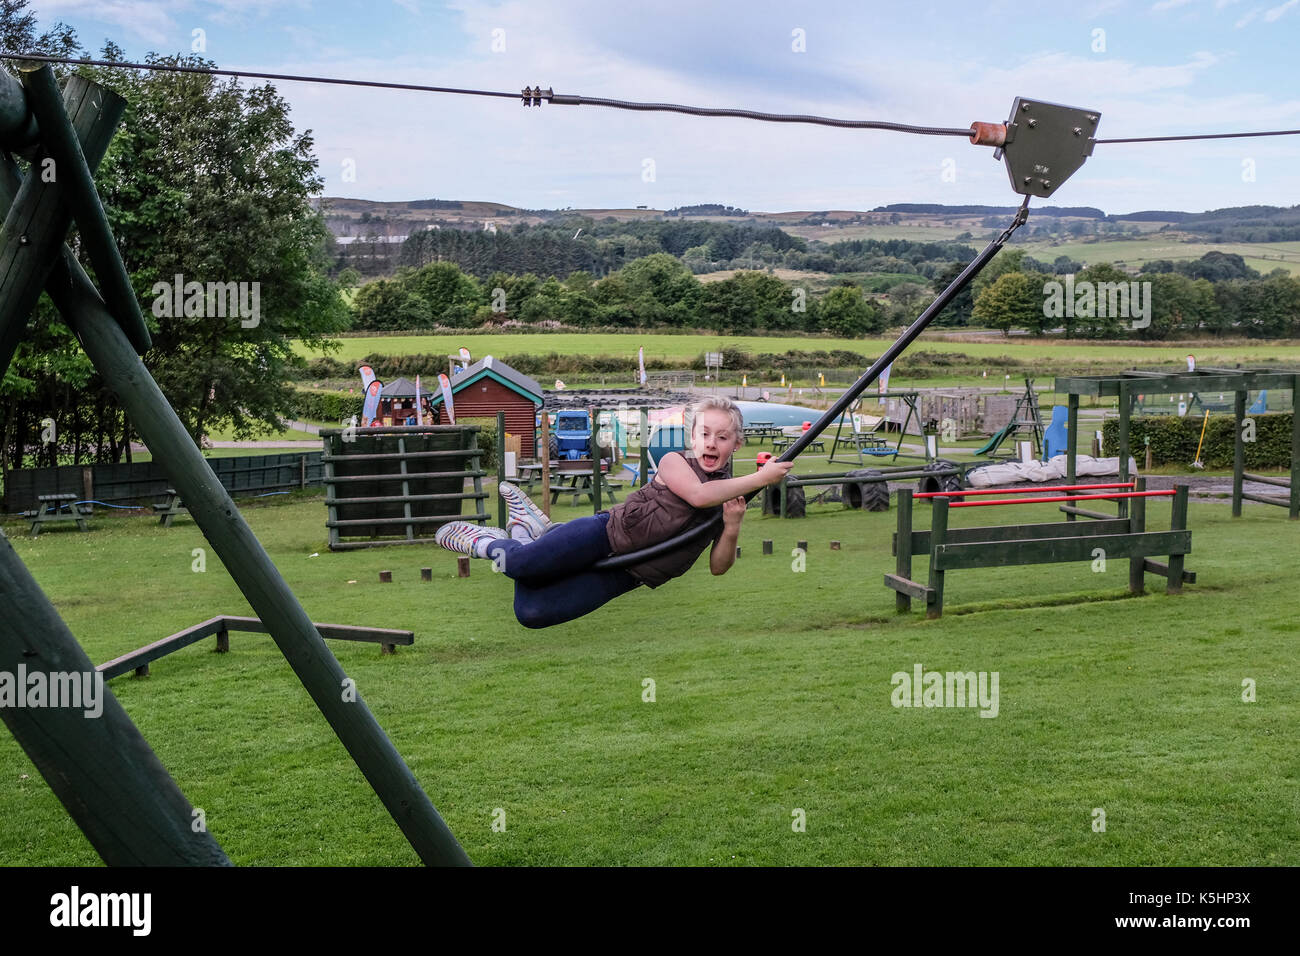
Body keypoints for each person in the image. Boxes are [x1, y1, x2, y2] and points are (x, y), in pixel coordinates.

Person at [434, 396, 794, 628]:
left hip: (627, 574)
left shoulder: (731, 495)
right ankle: (488, 542)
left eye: (722, 437)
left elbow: (718, 567)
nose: (712, 443)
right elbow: (700, 496)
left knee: (532, 613)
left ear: (737, 443)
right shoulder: (674, 462)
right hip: (604, 534)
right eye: (705, 434)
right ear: (693, 438)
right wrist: (760, 476)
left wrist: (731, 527)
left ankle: (528, 533)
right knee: (519, 565)